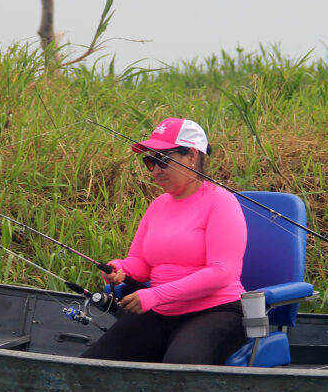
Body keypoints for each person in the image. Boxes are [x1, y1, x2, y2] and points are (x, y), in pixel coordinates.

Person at [82, 118, 248, 365]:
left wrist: (156, 295)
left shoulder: (221, 203)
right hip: (161, 311)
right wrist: (120, 268)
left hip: (216, 311)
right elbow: (140, 263)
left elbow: (222, 272)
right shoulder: (158, 205)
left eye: (162, 160)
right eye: (150, 162)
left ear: (192, 156)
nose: (155, 171)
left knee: (177, 367)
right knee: (93, 365)